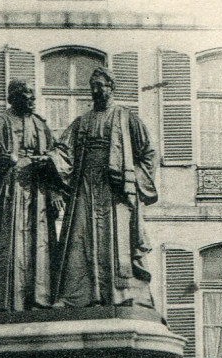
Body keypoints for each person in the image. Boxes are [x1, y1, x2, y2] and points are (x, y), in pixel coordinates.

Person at [53, 66, 158, 309]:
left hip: (115, 189)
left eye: (101, 86)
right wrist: (49, 159)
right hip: (85, 184)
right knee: (80, 237)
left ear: (112, 87)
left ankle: (121, 295)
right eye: (93, 87)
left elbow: (149, 154)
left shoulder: (126, 117)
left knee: (117, 240)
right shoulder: (82, 121)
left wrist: (132, 180)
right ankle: (78, 295)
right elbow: (63, 150)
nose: (96, 91)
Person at [0, 80, 70, 313]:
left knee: (41, 243)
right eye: (27, 96)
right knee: (8, 242)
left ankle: (40, 299)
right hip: (9, 188)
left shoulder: (40, 124)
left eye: (33, 96)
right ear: (14, 98)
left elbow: (56, 156)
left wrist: (54, 186)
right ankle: (6, 302)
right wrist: (3, 159)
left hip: (38, 191)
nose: (32, 100)